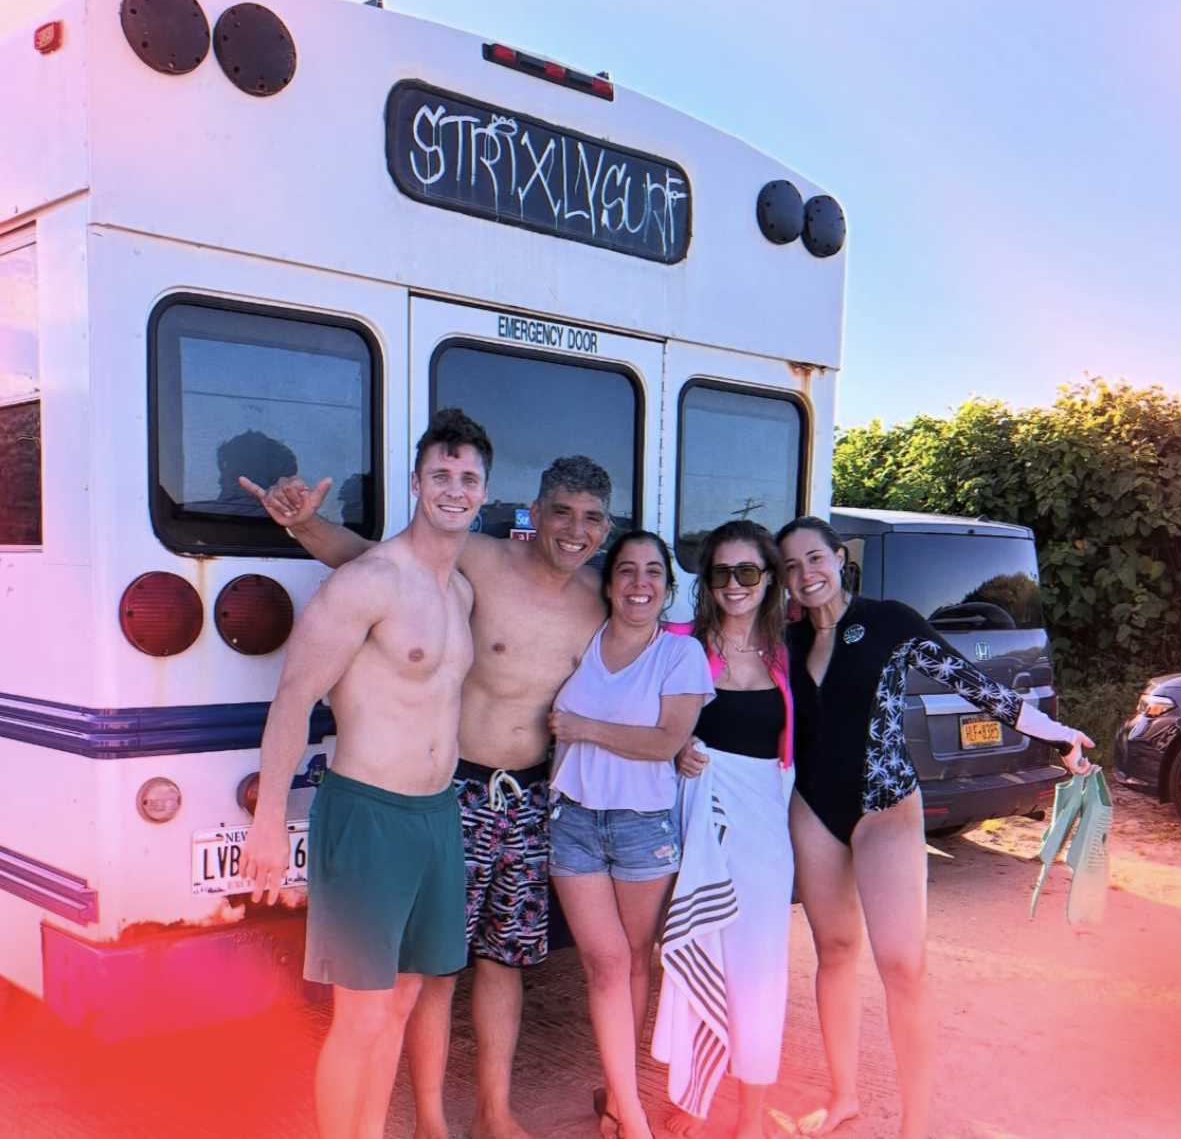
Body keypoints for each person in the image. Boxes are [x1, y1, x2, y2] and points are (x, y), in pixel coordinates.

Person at [241, 453, 613, 1139]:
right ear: (532, 512)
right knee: (420, 980)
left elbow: (652, 653)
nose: (574, 529)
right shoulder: (480, 560)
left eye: (591, 518)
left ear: (606, 526)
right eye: (561, 511)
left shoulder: (601, 599)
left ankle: (495, 1114)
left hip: (528, 798)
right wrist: (304, 526)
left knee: (504, 960)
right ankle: (433, 1121)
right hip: (453, 789)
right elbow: (371, 559)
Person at [774, 516, 1095, 1139]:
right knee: (834, 953)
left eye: (814, 558)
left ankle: (915, 1125)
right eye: (789, 565)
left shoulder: (890, 621)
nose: (804, 574)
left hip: (887, 806)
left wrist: (1058, 735)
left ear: (839, 558)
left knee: (903, 967)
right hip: (813, 809)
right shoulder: (783, 640)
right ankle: (843, 1099)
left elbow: (975, 686)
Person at [238, 408, 492, 1139]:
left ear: (483, 491)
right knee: (361, 1016)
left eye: (467, 478)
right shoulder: (370, 582)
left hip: (437, 817)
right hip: (369, 815)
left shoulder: (461, 592)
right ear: (416, 483)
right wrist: (267, 821)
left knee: (407, 1000)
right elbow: (292, 699)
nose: (454, 489)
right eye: (440, 475)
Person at [547, 531, 715, 1139]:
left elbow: (665, 742)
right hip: (572, 820)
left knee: (634, 960)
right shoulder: (581, 641)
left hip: (643, 824)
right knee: (605, 961)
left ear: (668, 589)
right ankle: (633, 1113)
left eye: (652, 572)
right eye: (625, 570)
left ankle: (621, 1098)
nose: (638, 583)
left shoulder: (679, 656)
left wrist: (582, 727)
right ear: (608, 580)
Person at [654, 520, 795, 1139]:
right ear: (706, 580)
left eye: (748, 572)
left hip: (767, 824)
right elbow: (646, 718)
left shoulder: (787, 651)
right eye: (721, 573)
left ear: (768, 579)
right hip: (699, 818)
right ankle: (693, 1095)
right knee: (698, 943)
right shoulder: (677, 642)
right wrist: (677, 746)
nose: (735, 585)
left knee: (762, 967)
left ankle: (752, 1115)